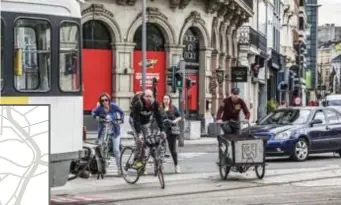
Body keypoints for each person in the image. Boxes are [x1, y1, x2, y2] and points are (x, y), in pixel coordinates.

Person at [131, 89, 166, 169]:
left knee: (149, 141)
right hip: (134, 121)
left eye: (150, 96)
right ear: (143, 97)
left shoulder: (155, 104)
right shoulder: (138, 104)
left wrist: (162, 130)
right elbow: (136, 120)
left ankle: (148, 162)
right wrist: (139, 134)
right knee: (139, 141)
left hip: (146, 123)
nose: (148, 98)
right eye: (147, 96)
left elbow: (159, 118)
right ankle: (136, 161)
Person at [92, 93, 125, 176]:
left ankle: (120, 169)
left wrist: (121, 119)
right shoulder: (100, 108)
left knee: (116, 150)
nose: (104, 102)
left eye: (106, 100)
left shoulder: (114, 106)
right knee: (101, 147)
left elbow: (122, 112)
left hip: (114, 131)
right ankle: (103, 168)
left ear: (109, 100)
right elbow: (93, 112)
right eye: (102, 100)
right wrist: (96, 117)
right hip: (104, 131)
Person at [161, 94, 181, 173]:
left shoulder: (173, 108)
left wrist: (175, 121)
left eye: (167, 99)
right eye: (164, 99)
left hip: (171, 131)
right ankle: (161, 166)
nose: (166, 100)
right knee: (161, 149)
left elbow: (179, 116)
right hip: (162, 131)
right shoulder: (160, 108)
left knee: (173, 150)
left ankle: (176, 165)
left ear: (170, 100)